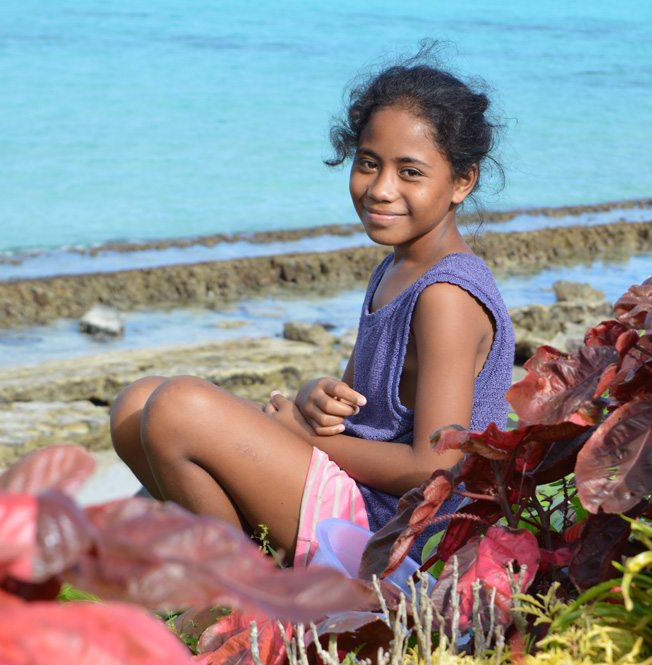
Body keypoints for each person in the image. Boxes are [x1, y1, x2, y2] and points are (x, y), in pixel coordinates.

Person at [110, 51, 515, 567]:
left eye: (410, 171)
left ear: (462, 181)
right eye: (369, 163)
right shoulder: (398, 268)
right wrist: (314, 402)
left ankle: (245, 595)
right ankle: (252, 573)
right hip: (358, 492)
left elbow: (434, 468)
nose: (381, 188)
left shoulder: (447, 296)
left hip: (401, 528)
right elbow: (357, 413)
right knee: (136, 405)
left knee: (177, 406)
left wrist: (300, 437)